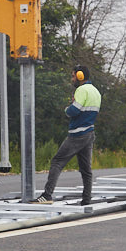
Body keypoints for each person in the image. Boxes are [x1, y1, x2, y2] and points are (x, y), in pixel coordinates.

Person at [36, 65, 101, 205]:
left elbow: (74, 110)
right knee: (86, 169)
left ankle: (47, 195)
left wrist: (67, 108)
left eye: (73, 76)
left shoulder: (82, 90)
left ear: (80, 76)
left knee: (57, 162)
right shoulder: (96, 92)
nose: (72, 79)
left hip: (77, 134)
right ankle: (86, 199)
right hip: (89, 133)